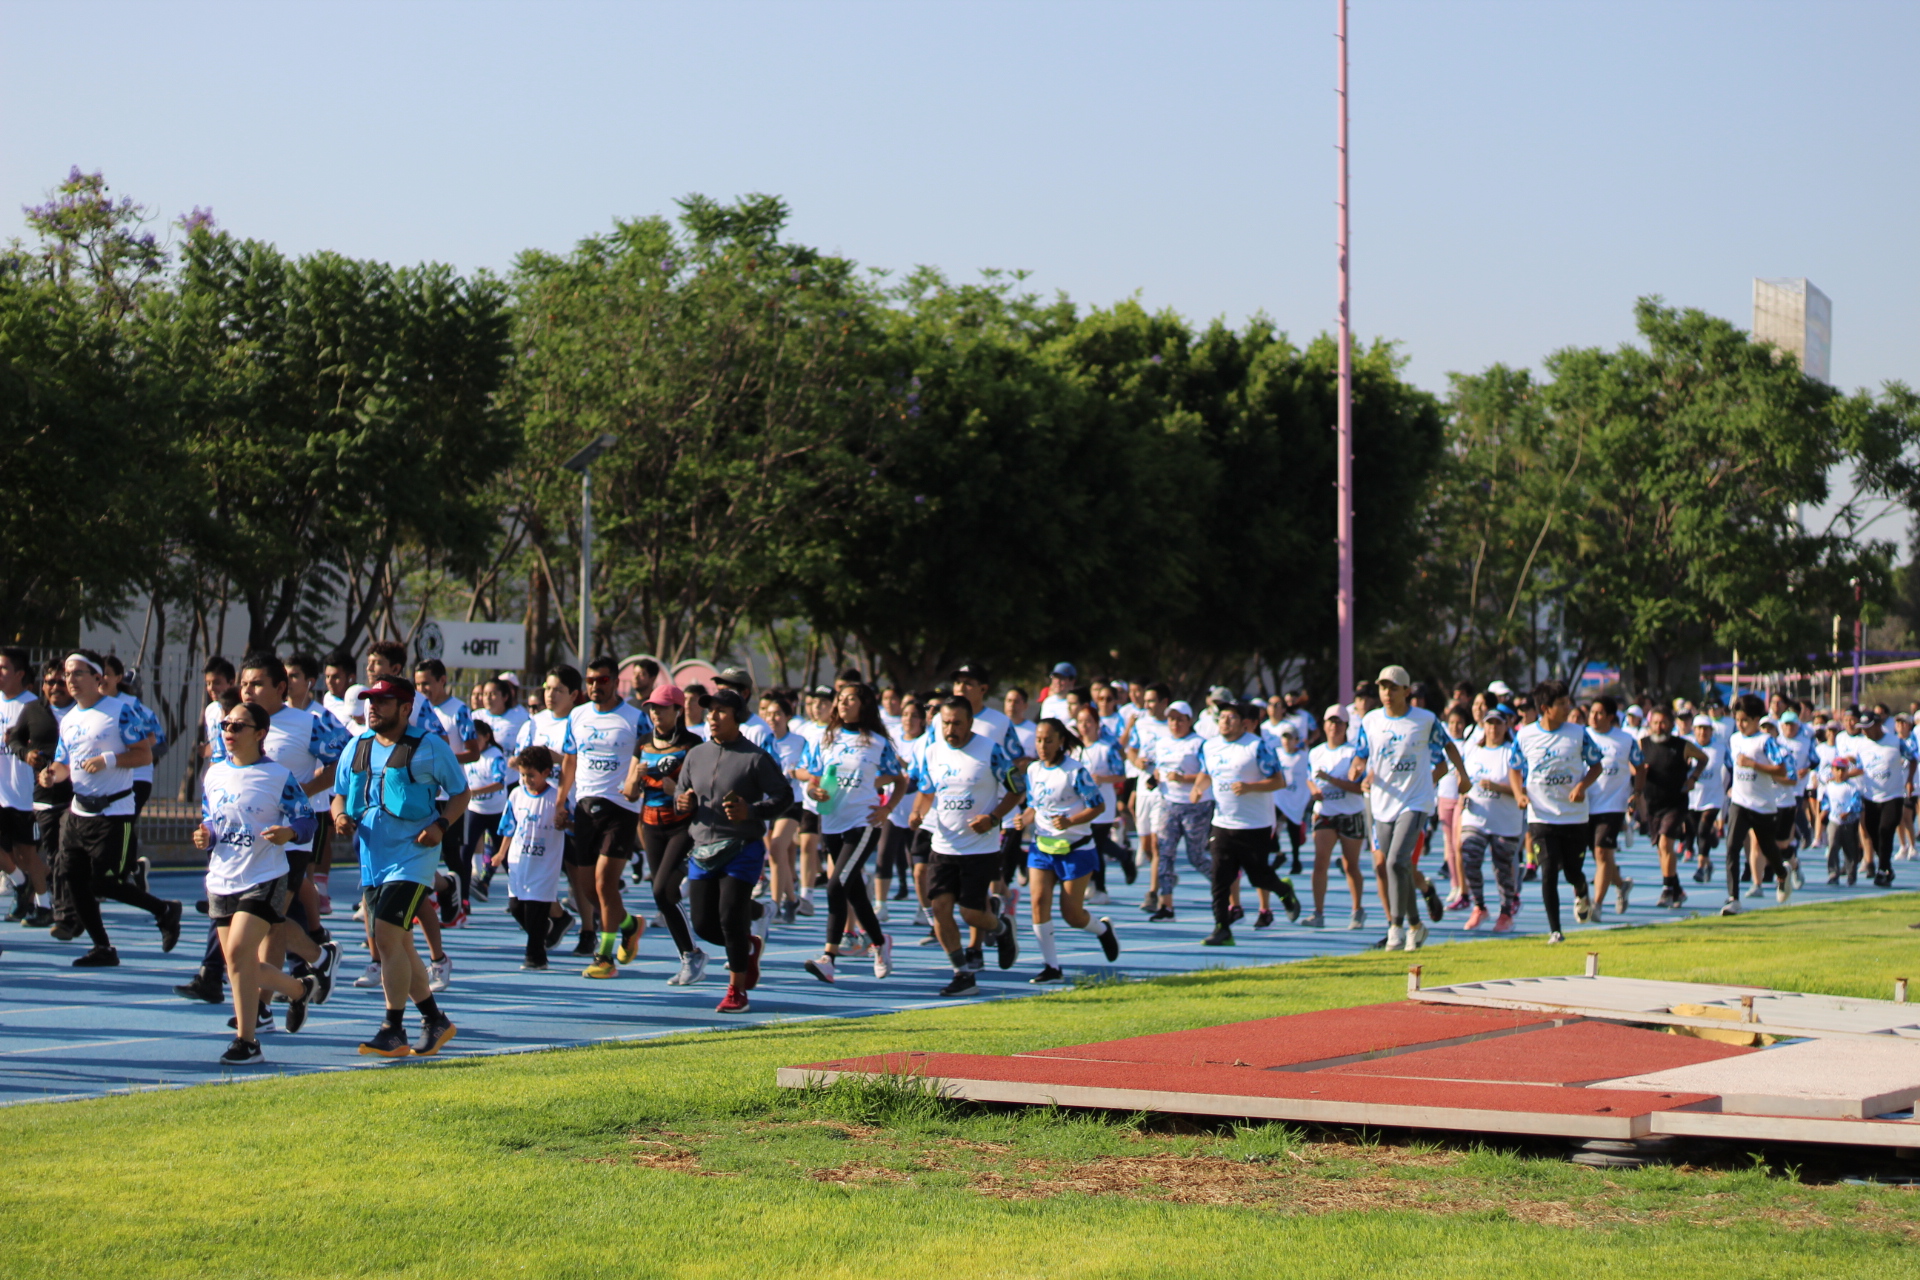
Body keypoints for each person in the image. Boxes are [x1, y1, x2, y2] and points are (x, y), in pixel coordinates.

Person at [332, 674, 470, 1057]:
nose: (372, 707)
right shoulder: (356, 745)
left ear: (406, 708)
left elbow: (461, 793)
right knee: (400, 945)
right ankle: (434, 1018)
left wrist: (441, 825)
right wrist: (341, 815)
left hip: (413, 857)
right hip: (373, 858)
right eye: (369, 701)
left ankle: (393, 1029)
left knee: (388, 934)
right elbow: (340, 795)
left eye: (383, 701)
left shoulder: (428, 747)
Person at [194, 700, 325, 1065]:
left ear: (260, 733)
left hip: (264, 876)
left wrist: (289, 833)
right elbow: (211, 820)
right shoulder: (214, 773)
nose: (229, 732)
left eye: (238, 726)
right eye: (226, 725)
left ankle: (247, 1042)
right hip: (221, 878)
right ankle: (299, 990)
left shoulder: (278, 776)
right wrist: (206, 834)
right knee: (239, 964)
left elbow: (307, 820)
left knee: (238, 955)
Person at [36, 651, 181, 966]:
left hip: (113, 814)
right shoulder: (70, 718)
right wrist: (51, 774)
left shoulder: (120, 711)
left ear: (97, 678)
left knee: (103, 883)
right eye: (66, 674)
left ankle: (164, 910)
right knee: (71, 878)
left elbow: (143, 755)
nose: (69, 680)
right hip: (78, 813)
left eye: (77, 673)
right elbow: (64, 764)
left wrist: (108, 760)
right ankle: (103, 947)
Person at [673, 689, 789, 1013]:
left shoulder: (755, 757)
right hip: (703, 849)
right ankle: (747, 947)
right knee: (703, 924)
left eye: (721, 711)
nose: (713, 717)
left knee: (730, 917)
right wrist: (682, 802)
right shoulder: (696, 755)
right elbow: (682, 794)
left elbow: (784, 797)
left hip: (742, 848)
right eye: (710, 711)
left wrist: (750, 811)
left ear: (737, 716)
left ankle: (737, 991)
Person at [909, 697, 1024, 998]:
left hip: (980, 848)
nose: (951, 729)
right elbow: (926, 791)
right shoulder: (932, 752)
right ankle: (963, 973)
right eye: (945, 722)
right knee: (940, 908)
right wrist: (917, 812)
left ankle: (1000, 929)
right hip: (943, 845)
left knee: (972, 914)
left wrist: (993, 817)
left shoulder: (989, 750)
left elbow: (1017, 789)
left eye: (957, 723)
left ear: (970, 723)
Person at [1352, 666, 1468, 952]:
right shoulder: (1371, 721)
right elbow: (1361, 754)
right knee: (1399, 867)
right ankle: (1416, 925)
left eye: (1393, 688)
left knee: (1394, 862)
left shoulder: (1424, 720)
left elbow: (1449, 748)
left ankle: (1396, 927)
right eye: (1383, 688)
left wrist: (1463, 776)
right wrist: (1359, 769)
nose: (1387, 694)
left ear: (1406, 691)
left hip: (1415, 801)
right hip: (1382, 802)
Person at [799, 683, 905, 984]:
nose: (844, 704)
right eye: (840, 699)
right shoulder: (826, 738)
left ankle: (828, 958)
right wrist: (814, 790)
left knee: (835, 885)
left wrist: (886, 810)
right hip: (832, 822)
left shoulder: (876, 742)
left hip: (863, 822)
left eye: (851, 699)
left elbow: (900, 780)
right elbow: (813, 779)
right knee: (854, 890)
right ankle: (880, 942)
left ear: (864, 705)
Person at [561, 656, 651, 980]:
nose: (596, 686)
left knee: (604, 884)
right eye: (590, 681)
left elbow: (647, 756)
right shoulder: (577, 715)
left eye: (602, 680)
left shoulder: (635, 718)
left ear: (615, 682)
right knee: (587, 891)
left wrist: (635, 783)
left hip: (621, 808)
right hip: (585, 807)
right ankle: (630, 925)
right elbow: (570, 759)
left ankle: (605, 956)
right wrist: (562, 801)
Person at [1017, 717, 1119, 982]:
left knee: (1072, 915)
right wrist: (1024, 819)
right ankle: (1052, 967)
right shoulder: (1033, 770)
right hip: (1042, 847)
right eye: (1038, 740)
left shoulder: (1075, 771)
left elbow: (1098, 806)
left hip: (1077, 849)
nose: (1042, 746)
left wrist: (1071, 821)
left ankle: (1103, 930)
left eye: (1048, 740)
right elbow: (1033, 806)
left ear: (1061, 741)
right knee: (1038, 903)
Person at [1193, 702, 1297, 946]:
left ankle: (1283, 890)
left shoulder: (1255, 746)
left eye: (1231, 718)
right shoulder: (1209, 746)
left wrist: (1250, 787)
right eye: (1222, 718)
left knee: (1258, 878)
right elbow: (1205, 771)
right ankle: (1222, 928)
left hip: (1254, 825)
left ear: (1243, 723)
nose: (1226, 722)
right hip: (1222, 823)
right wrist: (1198, 788)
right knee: (1220, 879)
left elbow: (1279, 781)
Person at [625, 681, 705, 984]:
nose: (656, 713)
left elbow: (701, 791)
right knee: (664, 895)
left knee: (661, 890)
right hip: (650, 825)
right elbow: (630, 793)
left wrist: (679, 790)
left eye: (661, 708)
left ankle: (693, 954)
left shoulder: (692, 744)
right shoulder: (643, 743)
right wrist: (636, 776)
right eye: (651, 708)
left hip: (681, 827)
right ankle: (690, 954)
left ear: (677, 710)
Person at [1514, 679, 1602, 943]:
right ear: (1545, 708)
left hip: (1574, 817)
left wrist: (1582, 786)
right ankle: (1555, 930)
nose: (1568, 708)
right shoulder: (1525, 735)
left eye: (1567, 702)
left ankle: (1582, 890)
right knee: (1549, 870)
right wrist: (1519, 793)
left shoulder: (1578, 734)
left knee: (1572, 871)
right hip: (1541, 816)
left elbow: (1596, 765)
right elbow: (1513, 765)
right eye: (1561, 704)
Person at [1720, 693, 1799, 914]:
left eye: (1745, 720)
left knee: (1768, 849)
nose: (1740, 724)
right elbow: (1731, 765)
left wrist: (1753, 764)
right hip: (1739, 802)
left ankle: (1782, 874)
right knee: (1731, 848)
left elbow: (1782, 769)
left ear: (1756, 720)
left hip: (1762, 805)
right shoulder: (1735, 739)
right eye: (1737, 720)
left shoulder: (1765, 741)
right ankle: (1733, 898)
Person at [493, 745, 566, 969]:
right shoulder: (516, 794)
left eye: (531, 775)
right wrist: (501, 853)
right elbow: (509, 827)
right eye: (523, 775)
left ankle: (535, 956)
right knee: (516, 907)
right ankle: (544, 933)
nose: (526, 779)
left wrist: (565, 822)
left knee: (536, 910)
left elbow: (571, 825)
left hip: (545, 863)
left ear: (546, 773)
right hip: (520, 860)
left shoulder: (556, 797)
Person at [1456, 703, 1527, 930]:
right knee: (1470, 857)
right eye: (1489, 723)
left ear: (1505, 726)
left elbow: (1523, 789)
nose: (1493, 729)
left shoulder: (1512, 752)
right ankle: (1479, 906)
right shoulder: (1473, 750)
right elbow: (1463, 779)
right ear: (1483, 726)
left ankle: (1506, 913)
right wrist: (1462, 792)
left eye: (1498, 724)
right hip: (1475, 816)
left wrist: (1497, 787)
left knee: (1503, 867)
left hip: (1505, 820)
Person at [0, 648, 53, 926]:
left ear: (20, 674)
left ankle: (44, 906)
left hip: (25, 796)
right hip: (0, 793)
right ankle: (21, 886)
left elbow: (46, 746)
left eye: (4, 668)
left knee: (26, 853)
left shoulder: (33, 706)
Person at [1637, 705, 1707, 910]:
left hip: (1676, 802)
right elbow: (1632, 765)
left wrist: (1693, 777)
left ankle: (1667, 889)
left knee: (1666, 844)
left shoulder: (1682, 745)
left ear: (1671, 724)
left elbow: (1703, 759)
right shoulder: (1643, 744)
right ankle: (1677, 889)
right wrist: (1640, 775)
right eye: (1655, 723)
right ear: (1650, 725)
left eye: (1663, 723)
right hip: (1653, 803)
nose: (1659, 727)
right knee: (1661, 849)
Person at [1145, 700, 1209, 922]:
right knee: (1164, 854)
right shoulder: (1162, 743)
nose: (1175, 723)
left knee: (1196, 857)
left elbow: (1208, 773)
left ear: (1189, 721)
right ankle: (1167, 905)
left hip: (1195, 807)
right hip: (1168, 803)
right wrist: (1153, 780)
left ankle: (1226, 888)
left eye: (1180, 719)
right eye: (1171, 719)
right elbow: (1157, 770)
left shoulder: (1199, 744)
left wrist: (1184, 779)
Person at [1307, 705, 1368, 929]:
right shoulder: (1315, 752)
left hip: (1350, 812)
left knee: (1350, 864)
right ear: (1324, 725)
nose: (1334, 726)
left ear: (1345, 726)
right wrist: (1313, 788)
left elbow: (1359, 787)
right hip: (1325, 813)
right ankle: (1318, 913)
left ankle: (1357, 909)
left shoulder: (1353, 752)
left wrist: (1331, 779)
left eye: (1339, 723)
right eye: (1330, 722)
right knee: (1320, 861)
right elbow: (1309, 776)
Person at [1584, 697, 1643, 916]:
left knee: (1601, 852)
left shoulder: (1625, 740)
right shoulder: (1581, 736)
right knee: (1601, 856)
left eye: (1599, 713)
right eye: (1592, 712)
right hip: (1584, 804)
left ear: (1610, 716)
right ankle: (1621, 884)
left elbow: (1640, 766)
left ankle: (1596, 905)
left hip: (1613, 805)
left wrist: (1636, 793)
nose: (1594, 717)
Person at [760, 690, 808, 924]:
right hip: (767, 804)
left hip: (791, 803)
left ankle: (775, 906)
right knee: (777, 856)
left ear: (787, 716)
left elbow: (810, 770)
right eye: (768, 714)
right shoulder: (760, 742)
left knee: (778, 848)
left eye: (777, 713)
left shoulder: (799, 742)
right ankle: (792, 899)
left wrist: (796, 772)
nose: (772, 718)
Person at [1685, 712, 1728, 884]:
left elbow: (1733, 768)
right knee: (1698, 833)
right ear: (1694, 730)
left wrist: (1731, 787)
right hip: (1692, 798)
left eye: (1706, 729)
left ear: (1712, 731)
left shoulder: (1721, 749)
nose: (1703, 733)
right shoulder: (1687, 748)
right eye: (1699, 729)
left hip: (1713, 798)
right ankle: (1708, 862)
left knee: (1702, 830)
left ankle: (1701, 867)